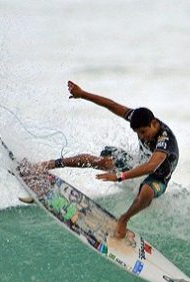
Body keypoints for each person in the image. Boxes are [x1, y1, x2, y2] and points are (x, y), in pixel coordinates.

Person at [26, 81, 179, 239]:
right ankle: (48, 164)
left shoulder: (165, 141)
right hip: (138, 163)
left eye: (143, 132)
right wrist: (82, 94)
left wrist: (120, 176)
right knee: (103, 162)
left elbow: (151, 166)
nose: (141, 136)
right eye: (137, 133)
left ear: (154, 124)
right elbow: (111, 105)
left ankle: (124, 219)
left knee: (147, 192)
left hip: (158, 176)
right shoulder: (140, 118)